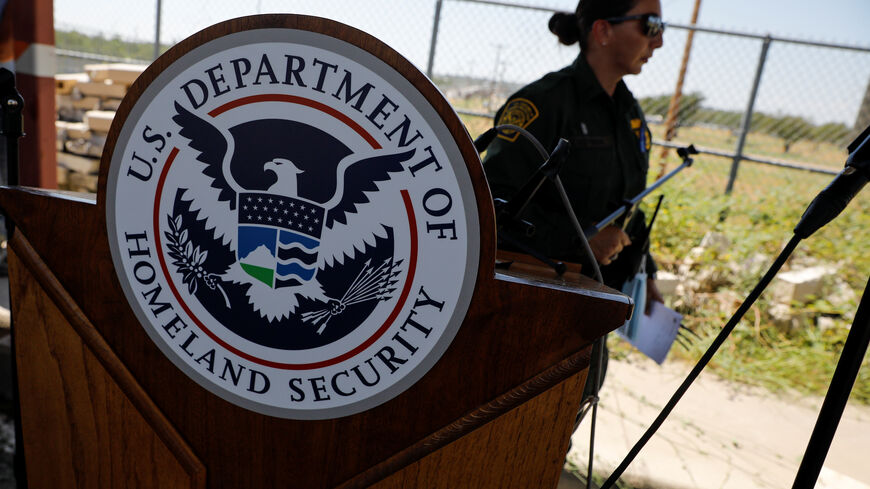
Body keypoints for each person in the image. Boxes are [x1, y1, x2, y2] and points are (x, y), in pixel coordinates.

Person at [482, 0, 666, 393]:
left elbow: (627, 206)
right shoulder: (544, 103)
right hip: (532, 314)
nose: (659, 41)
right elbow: (491, 205)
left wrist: (645, 272)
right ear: (603, 30)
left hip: (591, 313)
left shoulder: (629, 112)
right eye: (650, 25)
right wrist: (580, 238)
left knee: (577, 407)